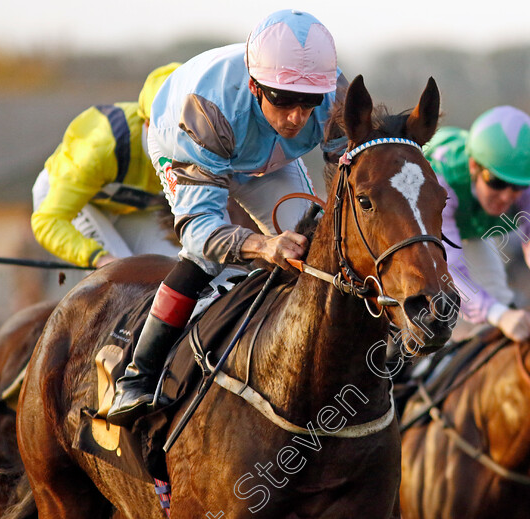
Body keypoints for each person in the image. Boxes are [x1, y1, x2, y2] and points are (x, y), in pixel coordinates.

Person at [108, 9, 345, 425]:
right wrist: (262, 245)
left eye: (308, 103)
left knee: (308, 247)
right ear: (255, 85)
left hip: (265, 156)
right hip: (188, 139)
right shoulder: (207, 110)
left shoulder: (335, 98)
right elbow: (202, 232)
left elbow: (346, 178)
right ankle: (137, 374)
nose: (296, 117)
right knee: (205, 255)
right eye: (282, 100)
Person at [425, 106, 530, 342]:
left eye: (518, 186)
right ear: (474, 166)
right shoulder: (442, 184)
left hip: (467, 230)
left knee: (499, 299)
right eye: (497, 181)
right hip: (415, 231)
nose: (506, 196)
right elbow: (448, 271)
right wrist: (496, 314)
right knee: (431, 312)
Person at [31, 63, 183, 268]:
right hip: (69, 205)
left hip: (130, 210)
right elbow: (47, 221)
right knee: (127, 277)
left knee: (177, 269)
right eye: (169, 132)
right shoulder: (100, 146)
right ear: (147, 123)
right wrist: (100, 259)